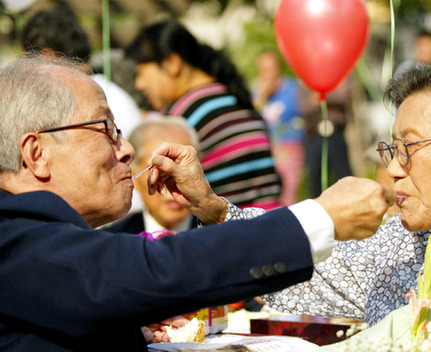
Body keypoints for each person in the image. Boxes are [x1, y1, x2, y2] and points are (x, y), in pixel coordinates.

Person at [0, 55, 394, 351]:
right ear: (36, 153)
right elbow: (149, 269)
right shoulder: (10, 240)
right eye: (106, 129)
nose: (127, 150)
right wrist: (317, 217)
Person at [256, 62, 431, 326]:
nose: (394, 169)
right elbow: (288, 262)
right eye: (394, 149)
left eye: (409, 147)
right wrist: (218, 213)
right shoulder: (400, 242)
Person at [125, 20, 282, 210]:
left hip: (230, 230)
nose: (139, 84)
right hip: (272, 220)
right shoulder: (234, 96)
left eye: (140, 72)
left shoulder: (181, 118)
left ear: (172, 63)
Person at [19, 7, 142, 139]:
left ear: (46, 56)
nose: (28, 70)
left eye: (28, 60)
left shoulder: (82, 99)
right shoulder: (106, 91)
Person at [252, 51, 305, 206]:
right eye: (264, 70)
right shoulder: (256, 93)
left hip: (289, 149)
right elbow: (252, 117)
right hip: (267, 150)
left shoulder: (293, 88)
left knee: (288, 195)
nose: (268, 74)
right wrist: (262, 95)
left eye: (271, 69)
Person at [300, 79, 353, 197]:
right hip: (314, 135)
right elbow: (304, 106)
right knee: (314, 178)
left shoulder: (338, 73)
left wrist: (320, 95)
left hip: (336, 133)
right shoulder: (304, 79)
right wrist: (332, 92)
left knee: (344, 176)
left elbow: (343, 95)